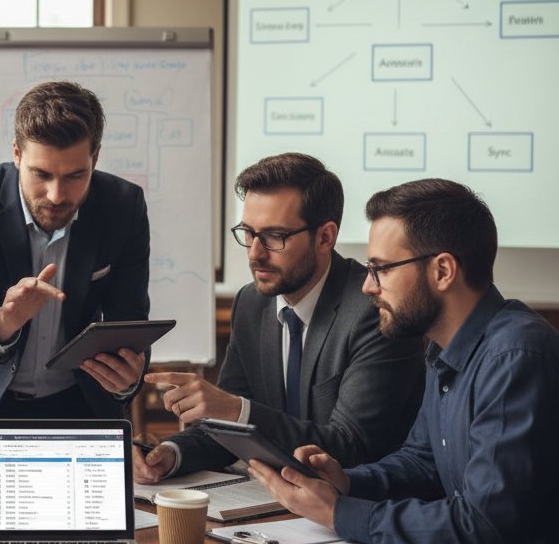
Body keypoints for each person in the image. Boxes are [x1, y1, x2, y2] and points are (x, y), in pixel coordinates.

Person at [248, 179, 559, 544]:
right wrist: (346, 481)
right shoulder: (445, 346)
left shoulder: (515, 357)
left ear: (442, 271)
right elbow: (423, 461)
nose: (368, 286)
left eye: (381, 269)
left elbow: (485, 527)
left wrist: (339, 514)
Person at [135, 153, 425, 483]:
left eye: (275, 236)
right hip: (273, 505)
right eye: (248, 232)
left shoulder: (374, 310)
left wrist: (237, 410)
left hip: (355, 509)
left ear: (325, 237)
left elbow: (352, 446)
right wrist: (170, 454)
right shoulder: (251, 303)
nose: (255, 252)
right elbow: (226, 432)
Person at [0, 81, 151, 445]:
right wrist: (6, 319)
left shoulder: (123, 207)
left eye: (76, 175)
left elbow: (131, 322)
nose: (57, 195)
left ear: (95, 157)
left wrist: (128, 380)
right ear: (17, 154)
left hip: (80, 408)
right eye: (41, 174)